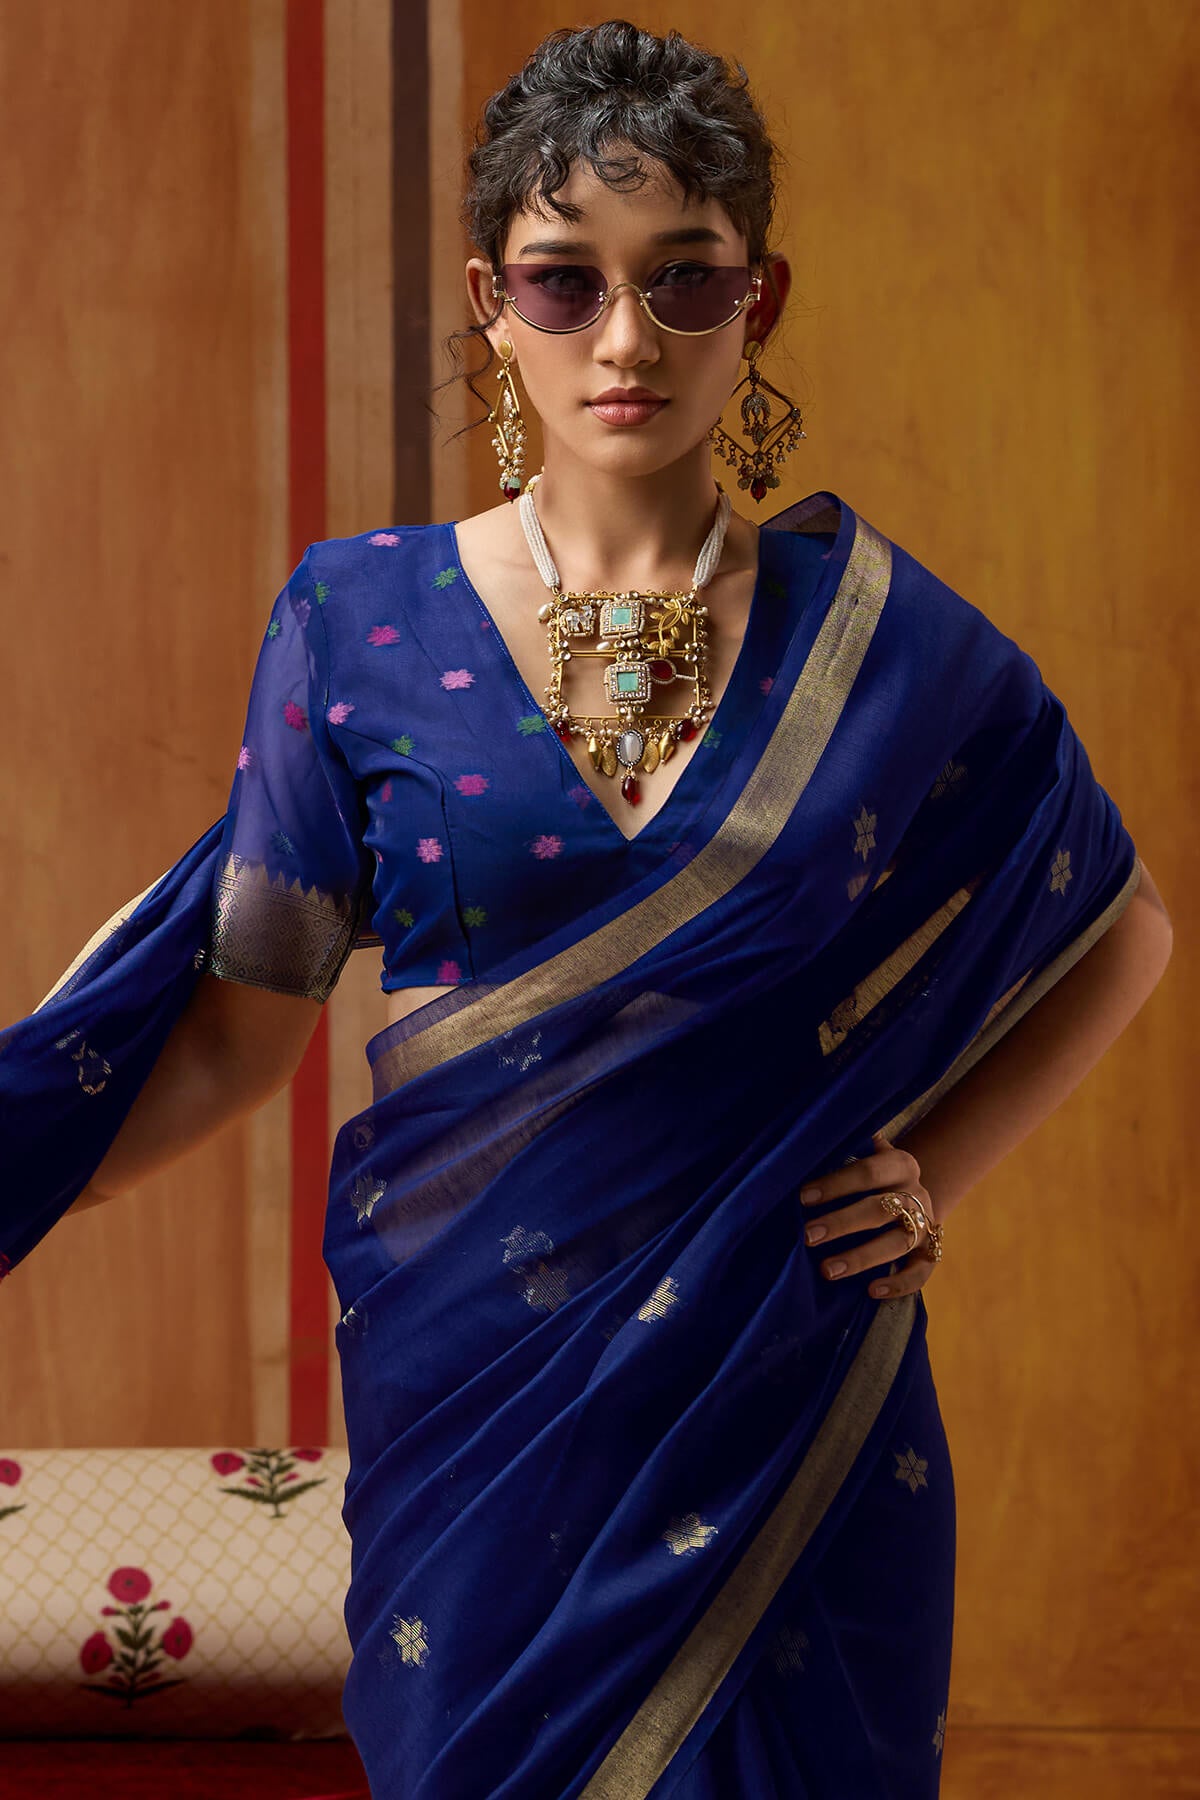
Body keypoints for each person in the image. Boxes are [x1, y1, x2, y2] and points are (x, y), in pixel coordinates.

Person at [0, 20, 1172, 1799]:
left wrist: (933, 1169)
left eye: (683, 279)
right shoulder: (357, 623)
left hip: (781, 1384)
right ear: (494, 302)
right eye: (566, 282)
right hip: (479, 1399)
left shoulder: (879, 641)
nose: (626, 341)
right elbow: (235, 1037)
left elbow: (1125, 925)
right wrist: (39, 1169)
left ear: (758, 298)